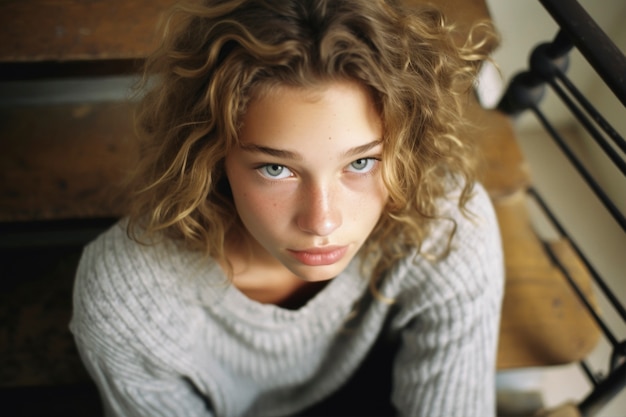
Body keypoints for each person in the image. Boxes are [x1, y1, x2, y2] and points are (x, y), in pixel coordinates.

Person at [70, 0, 504, 415]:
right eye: (276, 168)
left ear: (405, 149)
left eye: (361, 162)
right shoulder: (130, 298)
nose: (322, 221)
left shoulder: (445, 223)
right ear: (212, 155)